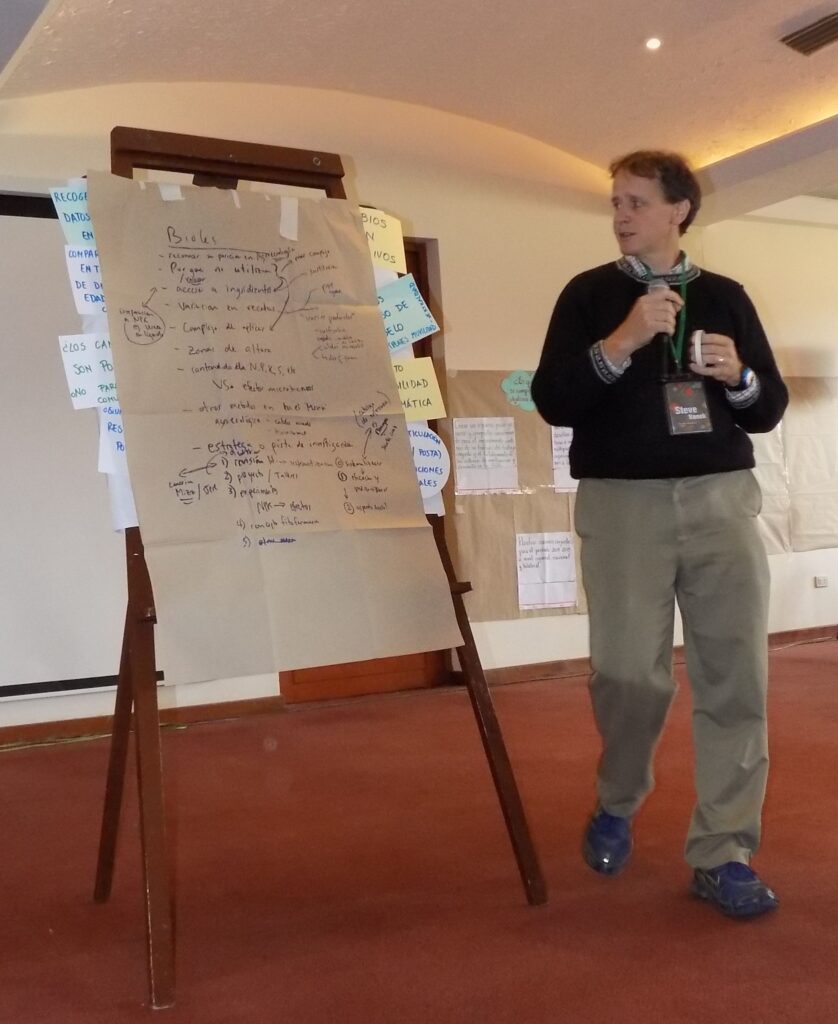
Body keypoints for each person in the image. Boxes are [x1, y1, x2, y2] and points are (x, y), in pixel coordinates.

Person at [531, 150, 788, 919]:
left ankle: (724, 852)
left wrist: (738, 377)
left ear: (679, 210)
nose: (620, 215)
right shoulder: (588, 295)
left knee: (737, 679)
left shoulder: (727, 297)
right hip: (623, 506)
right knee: (626, 675)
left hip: (721, 501)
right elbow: (553, 399)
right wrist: (621, 342)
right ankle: (619, 797)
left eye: (636, 202)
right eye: (616, 202)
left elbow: (767, 406)